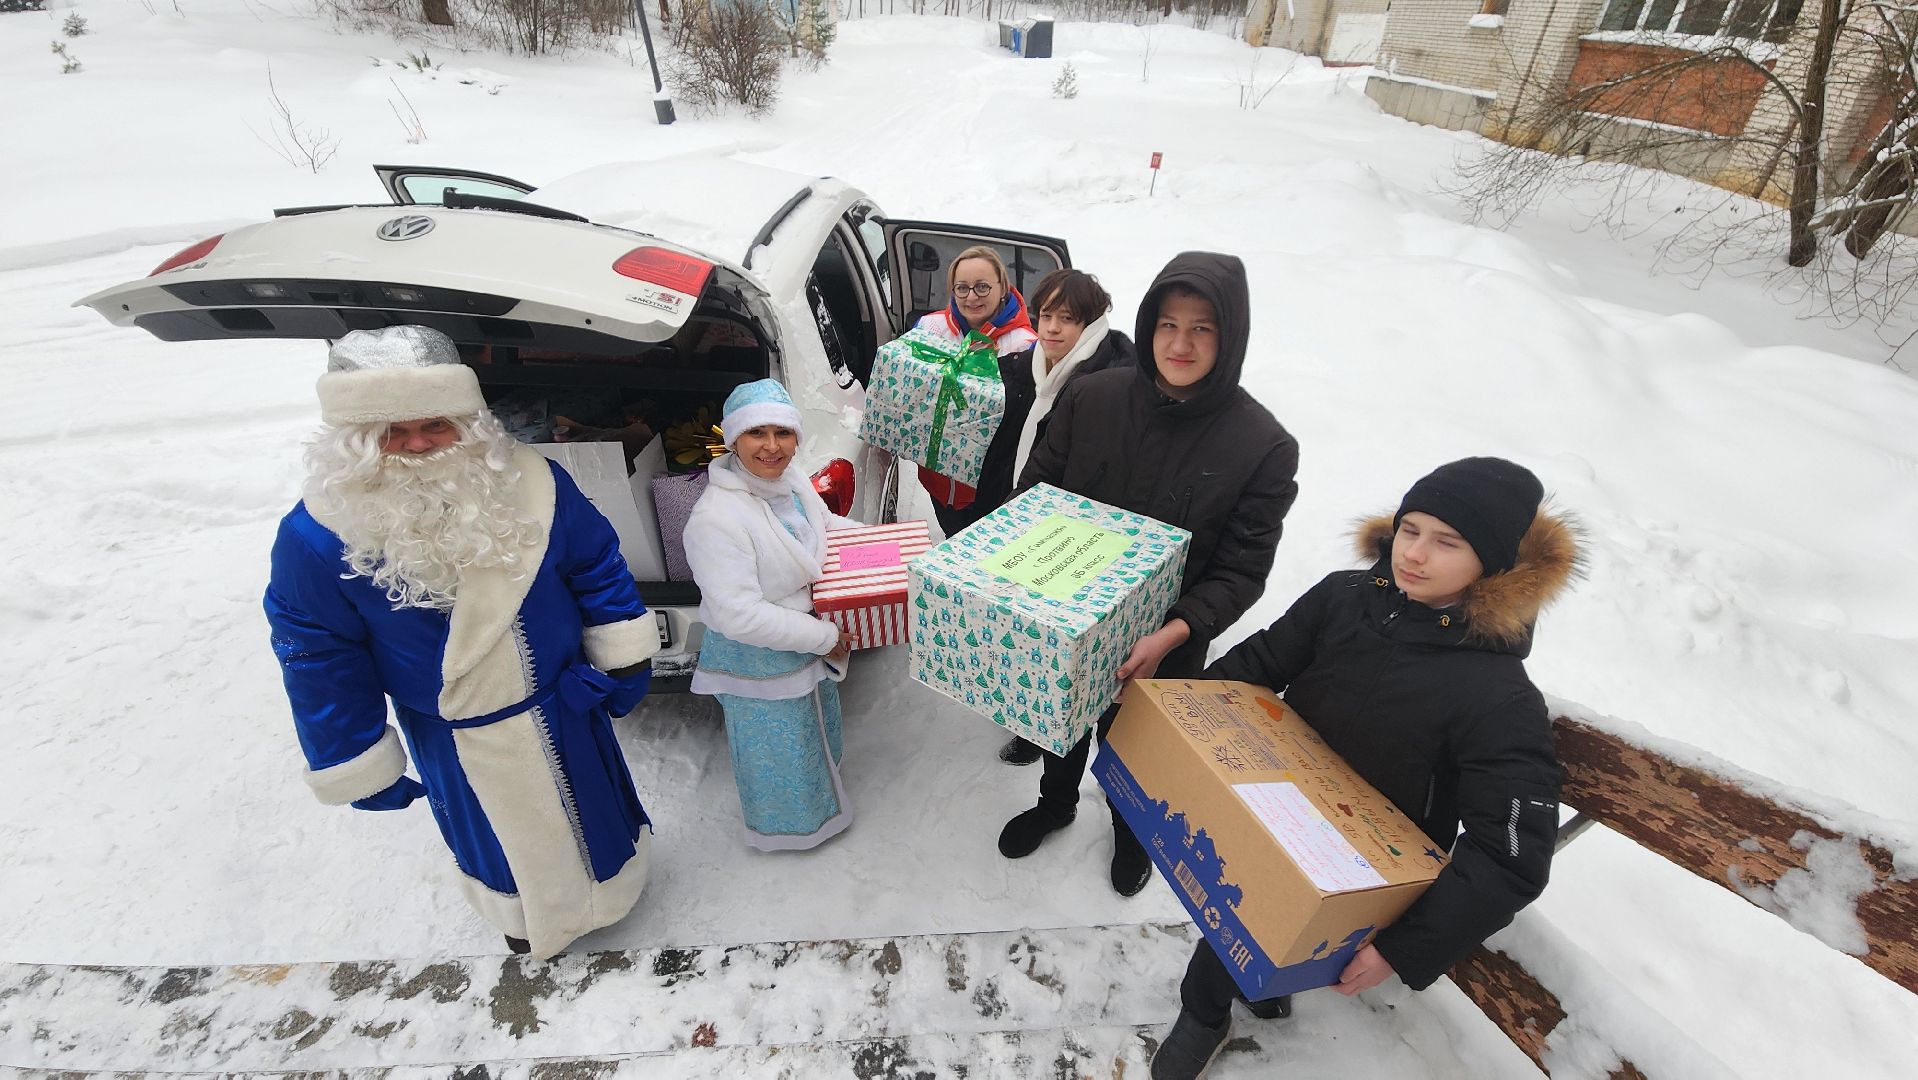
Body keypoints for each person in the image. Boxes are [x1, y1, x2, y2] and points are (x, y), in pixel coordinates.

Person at [1148, 458, 1577, 1080]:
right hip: (1277, 813)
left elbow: (1509, 856)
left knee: (1264, 921)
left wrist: (1402, 951)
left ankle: (1243, 992)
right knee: (1233, 917)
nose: (1416, 554)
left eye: (1447, 542)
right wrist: (1178, 721)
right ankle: (1206, 1011)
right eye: (1410, 530)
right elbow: (1260, 662)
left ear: (1493, 565)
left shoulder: (1498, 696)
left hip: (1366, 870)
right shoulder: (1343, 598)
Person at [263, 326, 659, 960]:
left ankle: (612, 890)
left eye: (434, 425)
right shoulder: (317, 535)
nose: (417, 445)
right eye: (391, 432)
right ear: (355, 441)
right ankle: (522, 914)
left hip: (561, 704)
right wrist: (353, 754)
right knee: (494, 837)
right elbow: (318, 654)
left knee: (595, 812)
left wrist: (622, 650)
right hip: (455, 731)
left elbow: (596, 565)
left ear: (468, 422)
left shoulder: (535, 482)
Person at [997, 251, 1302, 897]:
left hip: (1165, 642)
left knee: (1136, 750)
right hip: (1068, 615)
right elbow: (1034, 496)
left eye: (1202, 328)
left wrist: (1174, 631)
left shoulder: (1261, 446)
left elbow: (1241, 570)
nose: (1180, 343)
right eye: (1167, 324)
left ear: (1231, 336)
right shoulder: (1092, 397)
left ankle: (1131, 832)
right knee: (1064, 723)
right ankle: (1056, 804)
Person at [683, 379, 861, 851]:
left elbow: (826, 527)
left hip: (804, 636)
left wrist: (883, 551)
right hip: (760, 657)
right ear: (733, 439)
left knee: (811, 735)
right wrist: (823, 637)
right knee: (779, 754)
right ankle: (790, 837)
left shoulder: (793, 481)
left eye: (782, 433)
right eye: (756, 433)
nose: (771, 446)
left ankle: (825, 806)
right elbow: (738, 614)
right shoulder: (716, 519)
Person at [981, 267, 1136, 766]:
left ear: (1089, 324)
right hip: (1028, 513)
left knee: (1064, 644)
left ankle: (1057, 731)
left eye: (1066, 319)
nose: (1050, 329)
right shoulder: (1033, 364)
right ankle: (1034, 721)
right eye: (1045, 315)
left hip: (1077, 535)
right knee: (1029, 631)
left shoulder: (1108, 378)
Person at [910, 245, 1039, 537]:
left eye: (982, 287)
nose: (971, 297)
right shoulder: (929, 328)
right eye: (962, 288)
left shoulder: (1026, 345)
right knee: (952, 537)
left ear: (1002, 288)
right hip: (940, 480)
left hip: (994, 483)